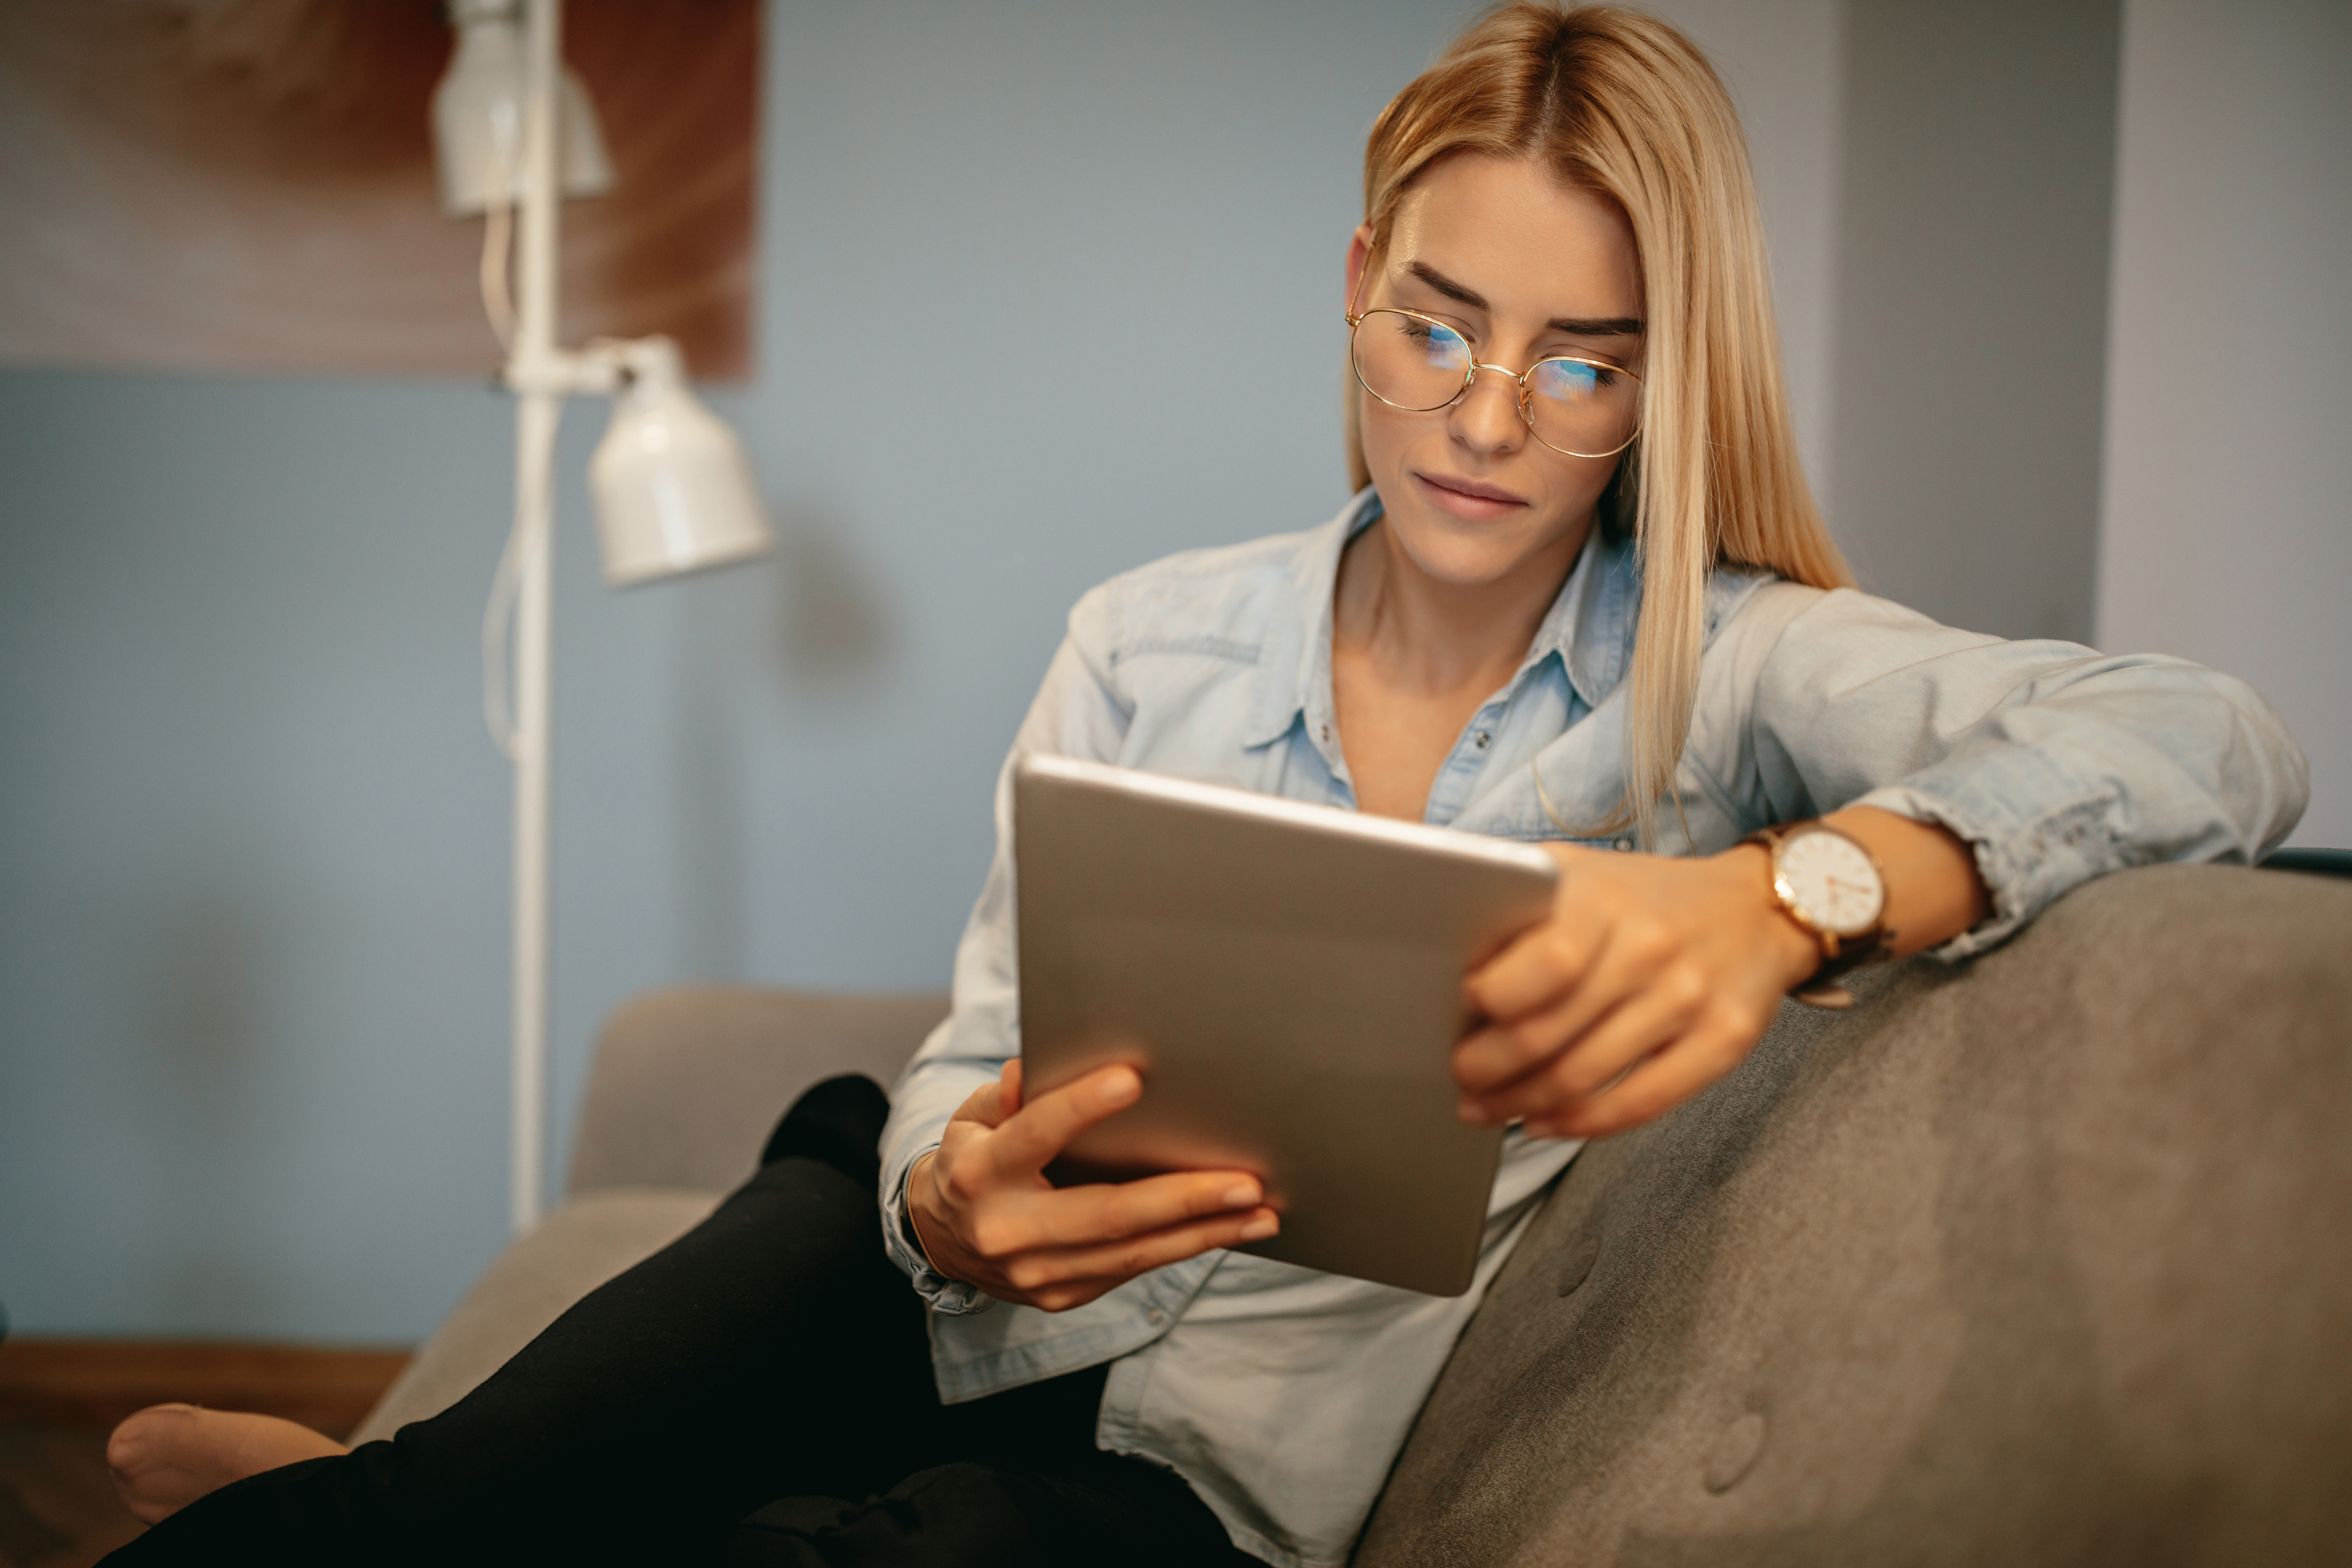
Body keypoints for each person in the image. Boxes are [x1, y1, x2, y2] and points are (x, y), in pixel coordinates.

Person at [102, 5, 2305, 1566]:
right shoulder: (1150, 635)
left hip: (1202, 1476)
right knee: (734, 1287)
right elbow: (974, 1043)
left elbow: (2214, 735)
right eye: (1441, 325)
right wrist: (952, 1194)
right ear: (1358, 295)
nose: (1489, 414)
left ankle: (386, 1521)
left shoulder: (1724, 676)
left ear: (1658, 391)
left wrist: (1796, 895)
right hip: (933, 1295)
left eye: (1584, 362)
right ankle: (384, 1517)